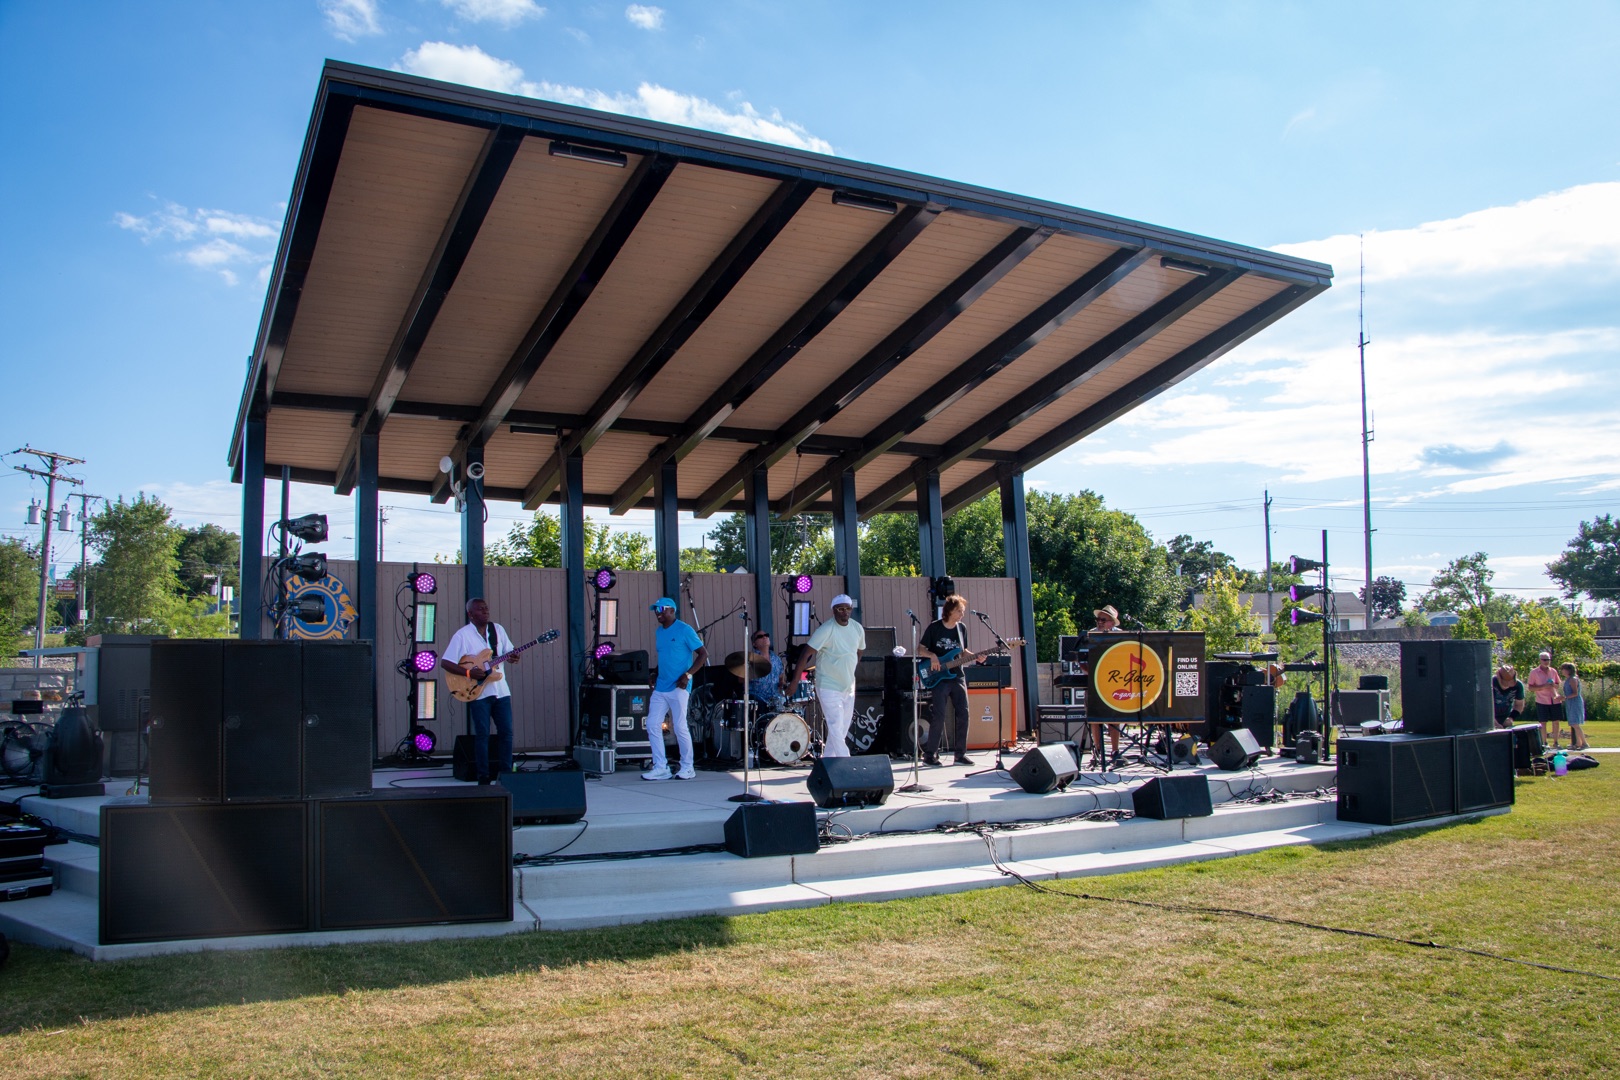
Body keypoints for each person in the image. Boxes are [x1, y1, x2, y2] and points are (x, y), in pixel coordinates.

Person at [440, 597, 521, 784]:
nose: (485, 611)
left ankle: (506, 776)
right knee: (482, 735)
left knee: (506, 733)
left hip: (501, 690)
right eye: (480, 609)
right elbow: (446, 662)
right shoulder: (462, 635)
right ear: (470, 614)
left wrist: (513, 656)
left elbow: (509, 651)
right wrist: (468, 672)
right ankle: (483, 777)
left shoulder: (498, 629)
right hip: (479, 693)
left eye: (486, 608)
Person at [787, 593, 864, 758]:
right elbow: (805, 654)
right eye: (841, 609)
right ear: (834, 610)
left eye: (848, 608)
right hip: (828, 685)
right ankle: (845, 761)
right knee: (835, 725)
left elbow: (860, 650)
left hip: (849, 685)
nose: (845, 612)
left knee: (842, 728)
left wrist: (851, 666)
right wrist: (794, 681)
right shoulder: (826, 630)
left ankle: (828, 760)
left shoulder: (857, 628)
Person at [918, 593, 989, 766]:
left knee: (964, 713)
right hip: (939, 677)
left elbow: (963, 652)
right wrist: (933, 656)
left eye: (963, 611)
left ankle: (960, 754)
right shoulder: (935, 627)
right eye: (959, 611)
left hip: (957, 675)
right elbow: (920, 649)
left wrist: (976, 656)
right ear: (949, 611)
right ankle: (930, 755)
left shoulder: (961, 628)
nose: (962, 614)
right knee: (939, 715)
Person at [643, 597, 707, 781]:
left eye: (662, 609)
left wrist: (688, 675)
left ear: (672, 610)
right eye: (656, 609)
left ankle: (688, 767)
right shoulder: (659, 632)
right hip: (661, 686)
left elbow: (703, 654)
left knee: (679, 726)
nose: (658, 612)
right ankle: (660, 767)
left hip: (679, 686)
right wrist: (655, 672)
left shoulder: (685, 629)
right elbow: (666, 656)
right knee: (652, 724)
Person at [1087, 604, 1126, 762]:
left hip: (1115, 681)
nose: (1100, 622)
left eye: (1103, 620)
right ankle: (1097, 750)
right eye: (1098, 619)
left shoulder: (1121, 636)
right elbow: (1083, 658)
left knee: (1113, 717)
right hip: (1096, 680)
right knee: (1095, 717)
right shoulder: (1091, 634)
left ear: (1111, 622)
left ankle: (1115, 751)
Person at [1527, 651, 1562, 747]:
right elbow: (1530, 688)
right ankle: (1544, 742)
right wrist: (1543, 686)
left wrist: (1553, 685)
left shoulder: (1553, 671)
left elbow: (1558, 685)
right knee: (1543, 722)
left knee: (1556, 722)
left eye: (1548, 660)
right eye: (1544, 660)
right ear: (1540, 660)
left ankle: (1556, 742)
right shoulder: (1534, 672)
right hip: (1542, 700)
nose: (1547, 662)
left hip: (1555, 699)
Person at [747, 629, 785, 711]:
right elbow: (741, 679)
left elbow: (781, 677)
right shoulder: (751, 658)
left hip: (775, 699)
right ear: (754, 644)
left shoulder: (776, 658)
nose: (764, 637)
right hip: (758, 698)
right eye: (760, 636)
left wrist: (783, 684)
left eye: (766, 635)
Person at [1560, 662, 1589, 751]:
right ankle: (1578, 743)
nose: (1562, 671)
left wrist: (1565, 698)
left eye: (1563, 669)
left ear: (1568, 670)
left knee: (1575, 723)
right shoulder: (1568, 679)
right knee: (1573, 723)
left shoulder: (1573, 679)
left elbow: (1575, 693)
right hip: (1570, 702)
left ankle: (1584, 743)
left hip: (1575, 702)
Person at [1492, 664, 1526, 730]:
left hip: (1505, 717)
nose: (1507, 685)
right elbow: (1484, 707)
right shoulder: (1491, 683)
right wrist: (1495, 723)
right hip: (1489, 719)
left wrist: (1511, 718)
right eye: (1505, 682)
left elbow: (1519, 705)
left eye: (1510, 683)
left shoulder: (1518, 685)